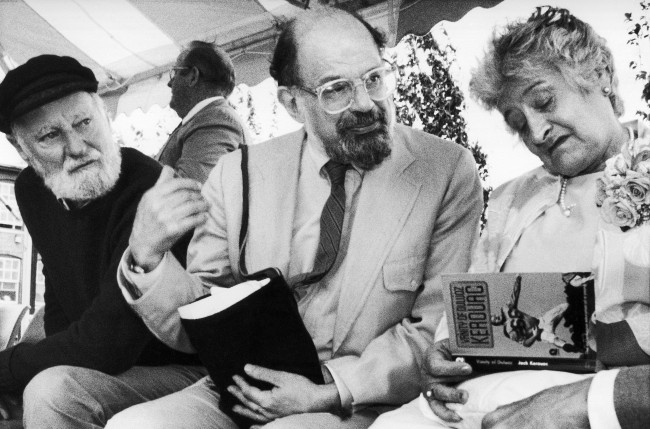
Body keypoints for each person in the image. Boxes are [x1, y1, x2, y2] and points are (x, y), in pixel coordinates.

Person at [105, 7, 484, 429]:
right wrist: (147, 258)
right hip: (241, 390)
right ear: (291, 102)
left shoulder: (446, 170)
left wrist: (329, 391)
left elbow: (437, 325)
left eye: (374, 79)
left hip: (361, 401)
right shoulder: (237, 174)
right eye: (336, 90)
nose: (365, 104)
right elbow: (201, 322)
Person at [371, 6, 649, 429]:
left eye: (544, 101)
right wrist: (445, 352)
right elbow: (471, 305)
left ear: (600, 76)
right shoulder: (510, 198)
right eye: (518, 123)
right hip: (478, 399)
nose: (537, 133)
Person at [0, 55, 206, 427]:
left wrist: (8, 371)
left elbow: (107, 344)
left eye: (84, 123)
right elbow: (59, 294)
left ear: (104, 118)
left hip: (184, 371)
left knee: (50, 391)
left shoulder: (148, 186)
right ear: (21, 149)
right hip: (102, 368)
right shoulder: (32, 189)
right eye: (50, 135)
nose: (78, 147)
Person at [156, 40, 249, 183]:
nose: (170, 83)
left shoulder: (215, 121)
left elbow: (188, 192)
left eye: (175, 73)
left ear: (193, 76)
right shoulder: (206, 119)